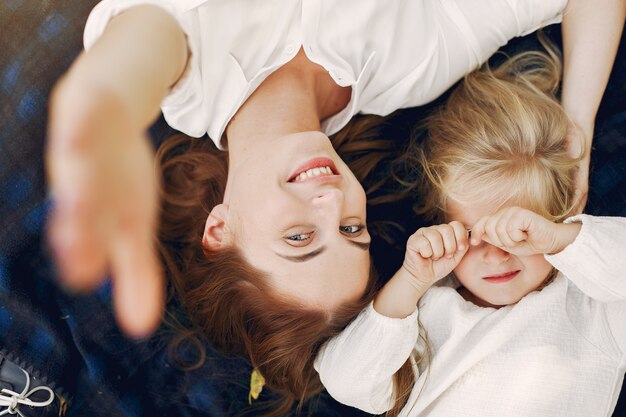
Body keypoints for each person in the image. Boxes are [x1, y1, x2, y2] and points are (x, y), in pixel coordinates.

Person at [37, 0, 624, 415]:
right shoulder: (410, 70)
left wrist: (106, 107)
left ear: (220, 226)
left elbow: (149, 37)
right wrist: (575, 135)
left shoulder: (190, 84)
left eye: (298, 238)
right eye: (351, 228)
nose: (328, 201)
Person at [314, 48, 626, 417]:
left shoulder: (591, 305)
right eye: (474, 235)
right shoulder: (426, 312)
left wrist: (562, 240)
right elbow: (346, 383)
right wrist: (411, 281)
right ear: (443, 224)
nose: (496, 255)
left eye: (520, 233)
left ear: (555, 217)